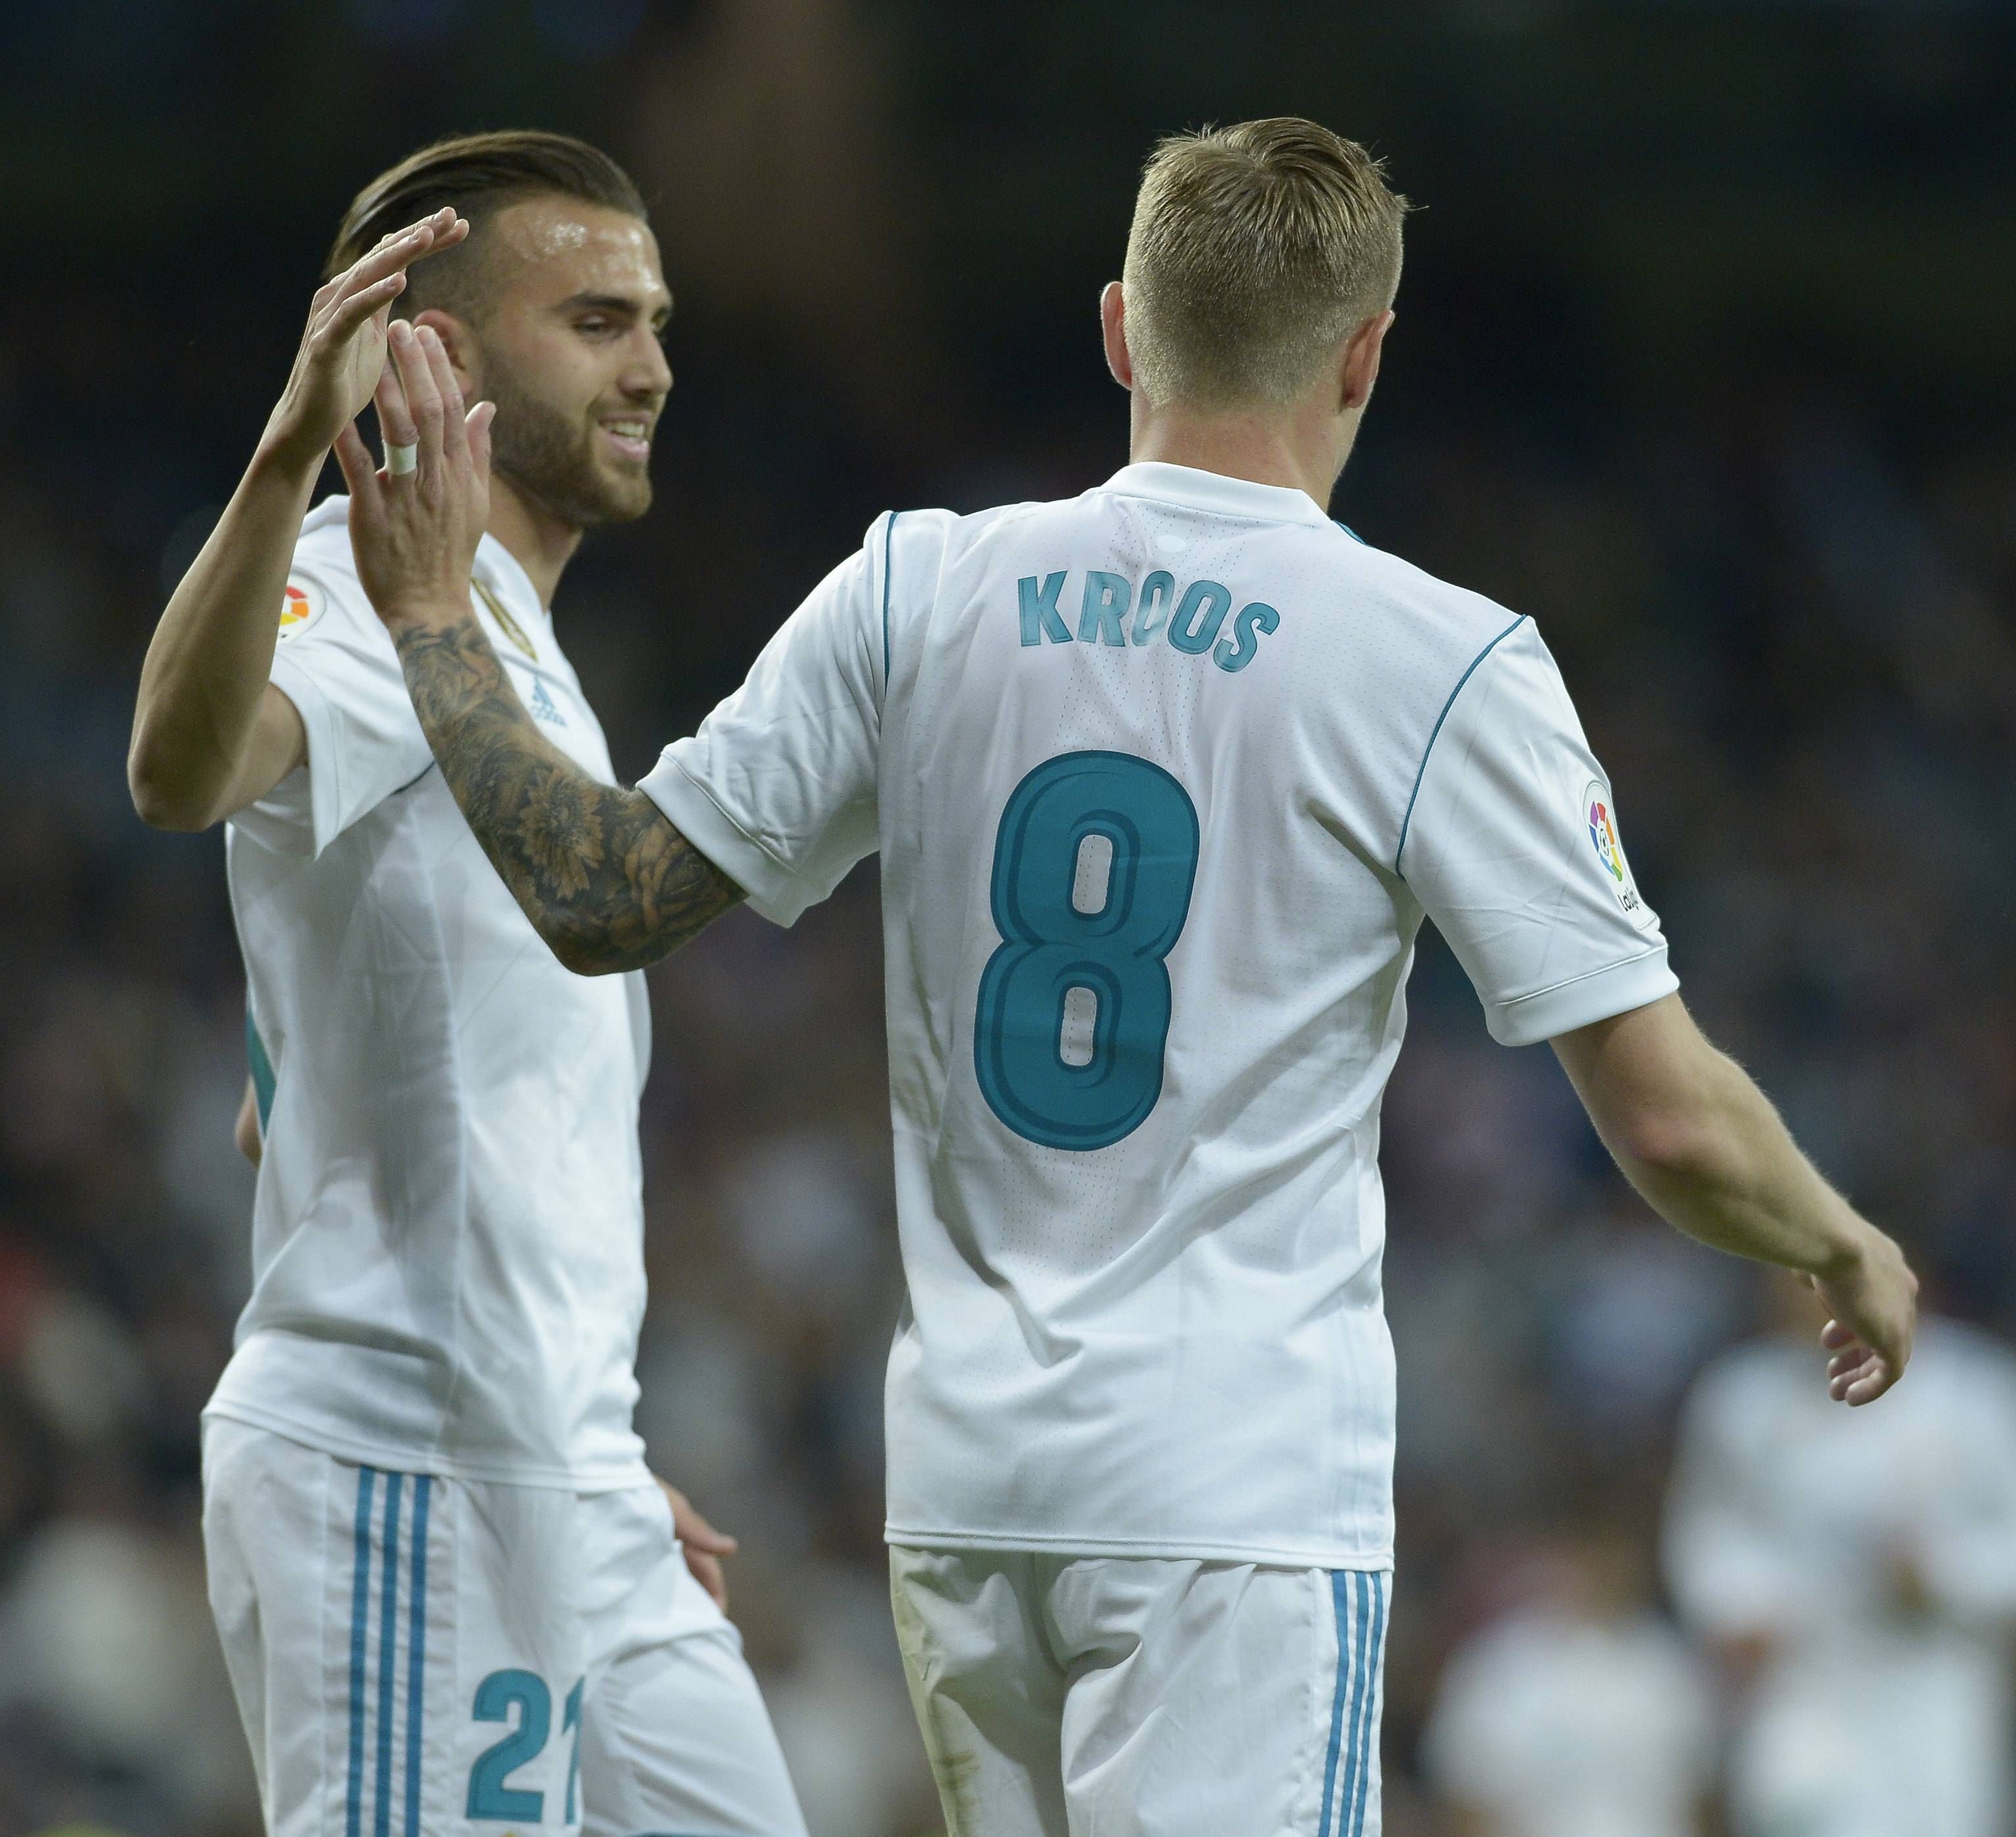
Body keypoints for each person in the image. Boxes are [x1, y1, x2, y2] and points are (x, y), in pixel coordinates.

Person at [343, 116, 1920, 1837]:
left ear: (1117, 328)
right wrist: (1833, 1236)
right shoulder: (1437, 659)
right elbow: (1672, 1126)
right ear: (1364, 355)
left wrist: (432, 609)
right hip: (1228, 1492)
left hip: (964, 1490)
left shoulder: (912, 588)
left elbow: (599, 889)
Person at [126, 132, 803, 1837]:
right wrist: (290, 449)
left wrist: (566, 1421)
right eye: (592, 318)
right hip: (402, 1471)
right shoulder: (369, 590)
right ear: (427, 346)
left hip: (556, 1460)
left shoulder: (504, 642)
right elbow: (181, 771)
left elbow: (374, 1065)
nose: (650, 361)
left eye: (651, 317)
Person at [1666, 1275, 2016, 1837]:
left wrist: (1945, 1574)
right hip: (1800, 1687)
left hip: (1935, 1692)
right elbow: (1710, 1531)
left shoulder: (1982, 1392)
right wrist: (1740, 1606)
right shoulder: (1744, 1396)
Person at [1423, 1525, 1717, 1837]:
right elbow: (1470, 1802)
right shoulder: (1500, 1666)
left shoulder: (1671, 1668)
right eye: (1589, 1553)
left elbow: (1702, 1801)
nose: (1602, 1570)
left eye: (1614, 1554)